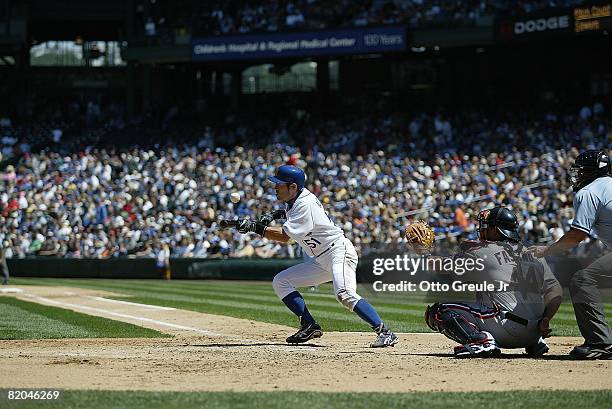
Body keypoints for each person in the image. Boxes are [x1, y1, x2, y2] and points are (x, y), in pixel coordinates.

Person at [236, 165, 398, 347]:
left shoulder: (305, 203)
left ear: (293, 187)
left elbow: (284, 237)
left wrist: (255, 227)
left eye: (279, 184)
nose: (275, 187)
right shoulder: (296, 199)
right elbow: (289, 212)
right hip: (321, 259)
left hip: (339, 252)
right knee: (281, 281)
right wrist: (273, 215)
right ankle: (309, 325)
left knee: (344, 294)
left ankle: (385, 332)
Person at [418, 206, 562, 358]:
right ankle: (534, 343)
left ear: (495, 230)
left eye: (486, 225)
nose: (482, 229)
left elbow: (439, 266)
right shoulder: (532, 252)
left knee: (438, 312)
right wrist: (545, 319)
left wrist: (423, 253)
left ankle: (480, 341)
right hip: (535, 332)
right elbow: (555, 290)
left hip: (506, 329)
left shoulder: (481, 252)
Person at [530, 149, 612, 359]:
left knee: (583, 280)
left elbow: (577, 236)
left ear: (591, 171)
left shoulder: (589, 191)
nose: (578, 175)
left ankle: (599, 343)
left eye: (581, 171)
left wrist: (546, 250)